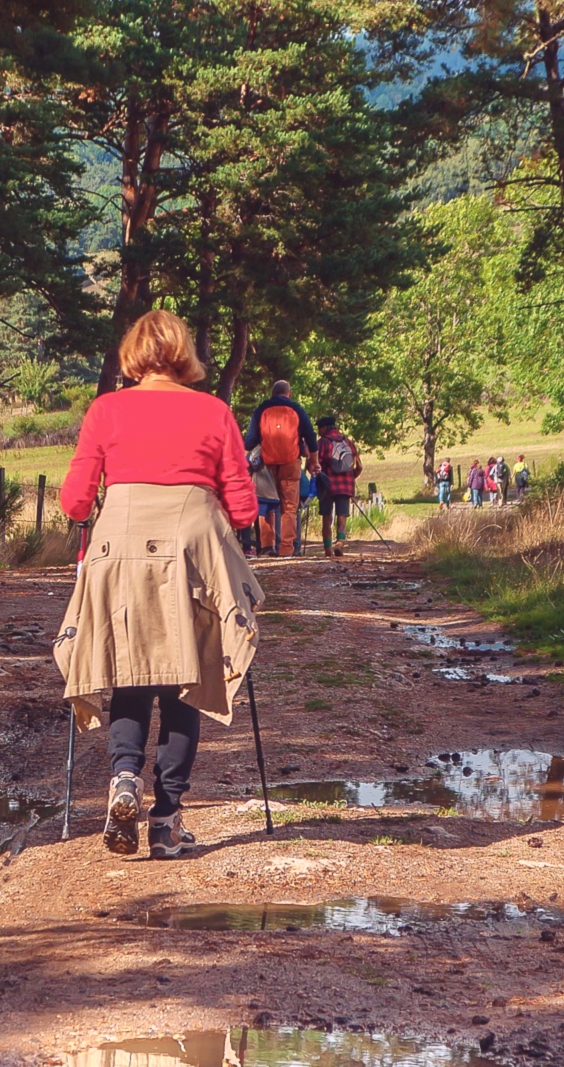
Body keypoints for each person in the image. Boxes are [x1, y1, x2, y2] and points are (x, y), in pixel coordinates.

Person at [55, 310, 263, 859]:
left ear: (132, 356)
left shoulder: (106, 410)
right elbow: (242, 507)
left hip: (119, 548)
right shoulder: (214, 412)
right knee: (183, 680)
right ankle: (167, 821)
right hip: (191, 548)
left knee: (126, 669)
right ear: (184, 354)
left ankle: (124, 778)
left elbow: (75, 500)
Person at [243, 379, 317, 557]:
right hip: (290, 463)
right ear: (289, 393)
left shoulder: (262, 409)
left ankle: (268, 547)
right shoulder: (297, 409)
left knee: (266, 504)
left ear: (272, 393)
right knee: (289, 507)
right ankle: (286, 549)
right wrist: (313, 461)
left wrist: (245, 464)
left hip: (266, 466)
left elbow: (250, 440)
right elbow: (311, 436)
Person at [313, 415, 363, 556]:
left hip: (327, 485)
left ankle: (328, 548)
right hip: (345, 485)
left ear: (325, 428)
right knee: (342, 514)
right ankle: (340, 542)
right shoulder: (347, 442)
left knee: (326, 516)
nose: (318, 431)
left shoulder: (322, 443)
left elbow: (316, 464)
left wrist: (315, 479)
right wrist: (351, 478)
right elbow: (358, 465)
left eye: (319, 428)